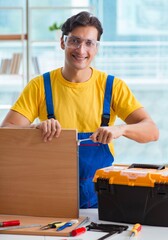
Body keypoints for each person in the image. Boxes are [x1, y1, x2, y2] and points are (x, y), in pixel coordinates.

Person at [1, 11, 159, 208]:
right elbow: (5, 132)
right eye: (75, 41)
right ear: (62, 42)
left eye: (89, 43)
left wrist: (120, 129)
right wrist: (36, 128)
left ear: (96, 48)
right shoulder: (40, 86)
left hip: (101, 197)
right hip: (52, 195)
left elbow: (152, 131)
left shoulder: (113, 86)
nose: (81, 49)